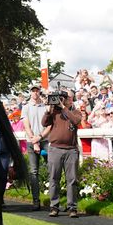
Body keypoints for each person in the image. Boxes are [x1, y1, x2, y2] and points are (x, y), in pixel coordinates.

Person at [40, 89, 81, 218]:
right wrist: (48, 110)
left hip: (71, 149)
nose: (63, 99)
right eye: (62, 97)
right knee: (53, 179)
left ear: (71, 100)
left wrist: (63, 107)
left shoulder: (75, 112)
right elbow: (44, 123)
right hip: (55, 149)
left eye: (66, 97)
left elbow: (76, 121)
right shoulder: (54, 112)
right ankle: (54, 207)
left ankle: (72, 208)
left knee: (72, 180)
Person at [22, 85, 46, 210]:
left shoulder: (45, 106)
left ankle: (54, 201)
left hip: (45, 140)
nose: (35, 93)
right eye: (33, 91)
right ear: (30, 93)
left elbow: (49, 125)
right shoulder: (25, 107)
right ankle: (36, 200)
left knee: (53, 170)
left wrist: (40, 138)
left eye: (37, 91)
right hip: (32, 141)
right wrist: (34, 141)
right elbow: (26, 126)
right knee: (33, 171)